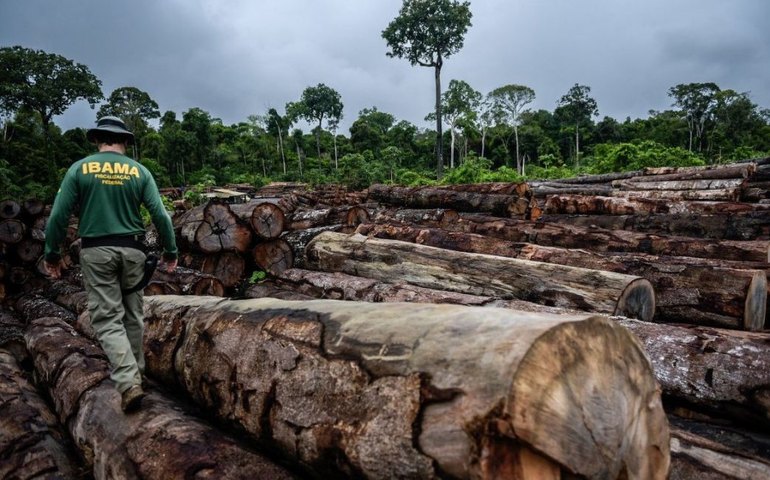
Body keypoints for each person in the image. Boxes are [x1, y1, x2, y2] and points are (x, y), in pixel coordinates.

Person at [44, 116, 178, 413]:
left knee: (106, 318)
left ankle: (129, 383)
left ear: (97, 139)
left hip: (96, 251)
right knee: (133, 314)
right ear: (126, 141)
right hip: (133, 251)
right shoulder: (139, 171)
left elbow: (58, 217)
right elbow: (161, 216)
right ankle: (136, 375)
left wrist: (52, 253)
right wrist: (170, 250)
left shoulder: (80, 168)